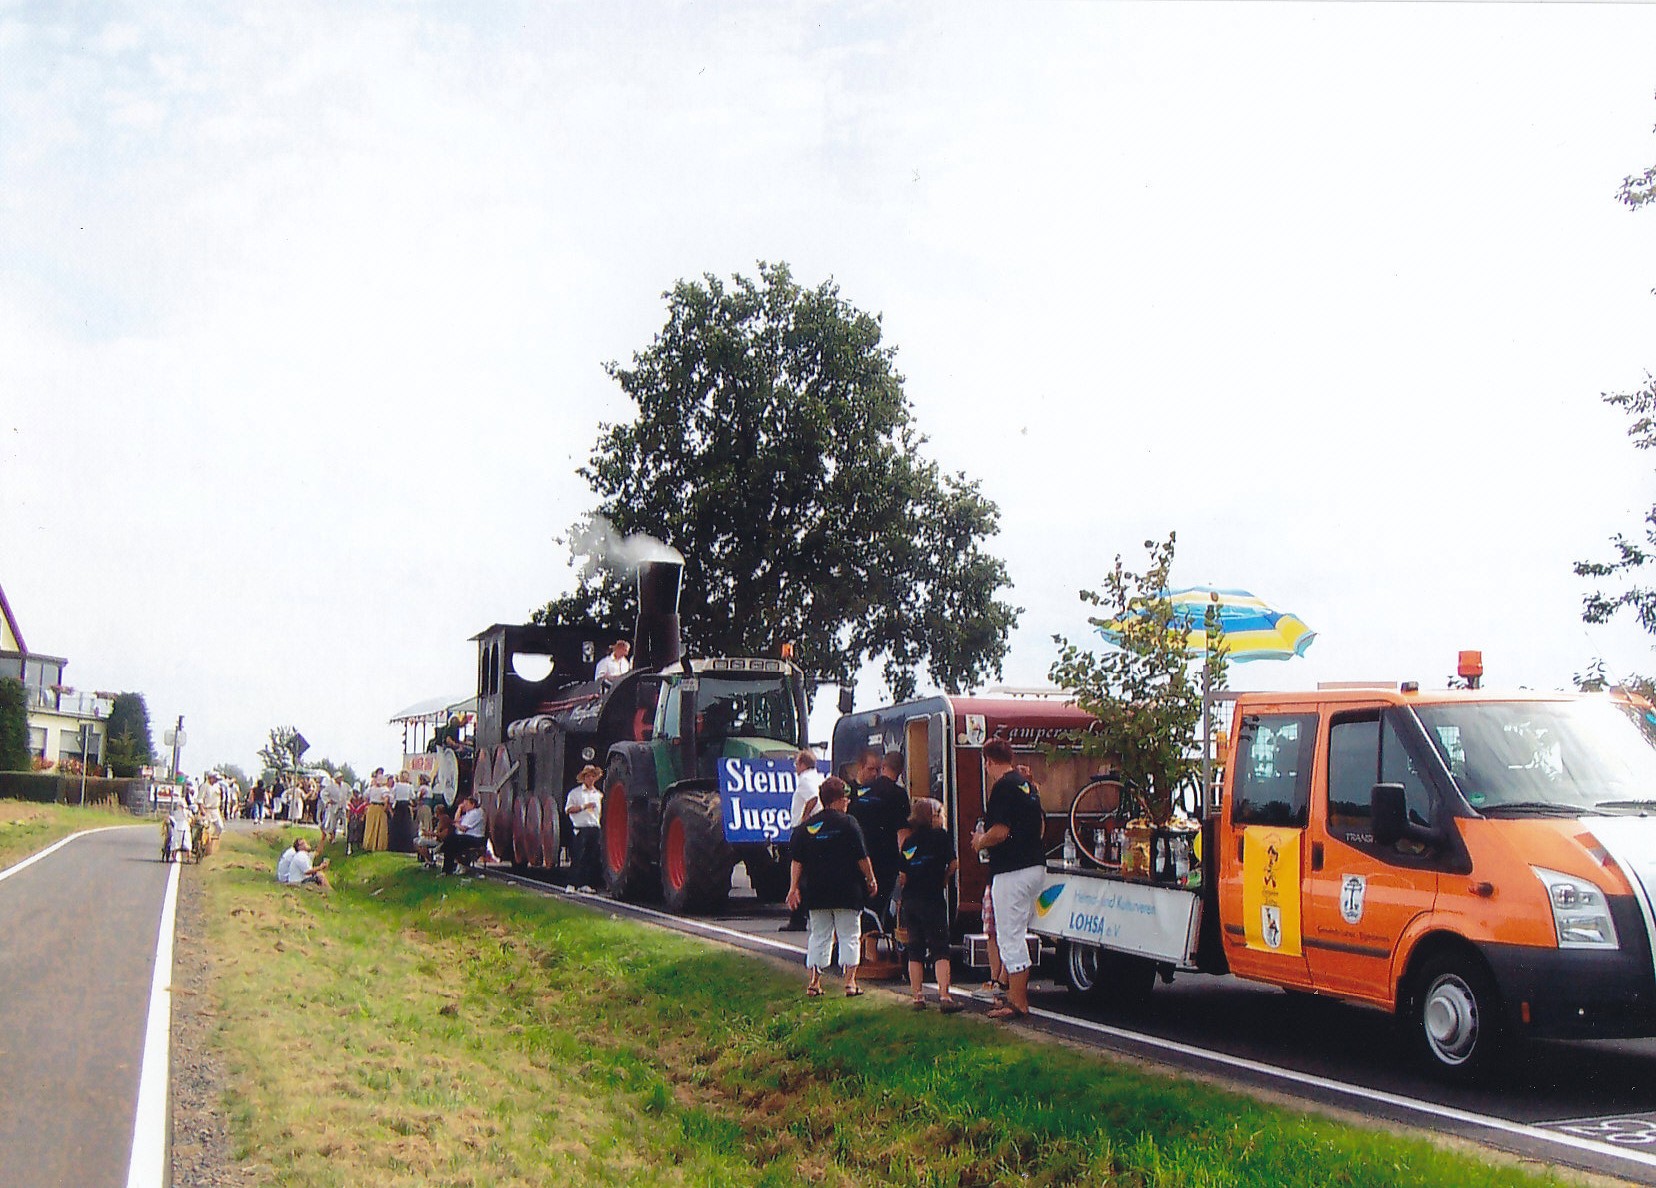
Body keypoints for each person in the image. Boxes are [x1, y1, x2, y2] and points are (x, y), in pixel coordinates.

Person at [971, 738, 1046, 1021]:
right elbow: (1040, 827)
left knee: (1009, 936)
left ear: (989, 761)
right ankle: (1015, 997)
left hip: (1011, 869)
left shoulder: (1002, 787)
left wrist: (980, 841)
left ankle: (1018, 1002)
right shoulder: (1027, 785)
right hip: (1035, 865)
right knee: (1018, 933)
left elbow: (1000, 831)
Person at [785, 777, 877, 998]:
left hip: (817, 891)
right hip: (847, 891)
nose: (848, 801)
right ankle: (850, 982)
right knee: (849, 935)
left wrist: (793, 887)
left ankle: (814, 982)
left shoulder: (807, 827)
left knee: (819, 935)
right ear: (837, 799)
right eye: (845, 797)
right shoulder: (849, 823)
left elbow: (797, 861)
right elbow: (862, 857)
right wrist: (871, 879)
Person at [897, 797, 962, 1012]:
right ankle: (944, 995)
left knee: (915, 948)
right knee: (940, 948)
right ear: (931, 817)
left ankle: (917, 996)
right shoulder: (940, 837)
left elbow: (903, 876)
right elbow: (954, 864)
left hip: (911, 899)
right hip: (932, 898)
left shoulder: (909, 842)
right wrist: (944, 878)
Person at [849, 751, 910, 926]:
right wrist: (905, 866)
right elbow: (903, 834)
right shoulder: (898, 794)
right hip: (886, 861)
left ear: (883, 766)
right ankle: (872, 942)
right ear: (901, 771)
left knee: (864, 907)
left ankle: (863, 941)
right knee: (878, 908)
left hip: (862, 857)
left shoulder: (863, 791)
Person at [780, 749, 823, 932]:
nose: (795, 768)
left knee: (797, 874)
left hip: (802, 829)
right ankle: (801, 914)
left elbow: (813, 797)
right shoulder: (818, 777)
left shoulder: (805, 779)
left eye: (796, 764)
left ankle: (797, 917)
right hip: (815, 829)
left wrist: (804, 817)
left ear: (803, 764)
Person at [564, 764, 604, 890]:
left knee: (591, 858)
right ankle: (572, 884)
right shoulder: (575, 793)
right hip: (580, 827)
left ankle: (585, 884)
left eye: (592, 776)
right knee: (578, 857)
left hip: (594, 827)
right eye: (588, 776)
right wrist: (583, 807)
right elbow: (568, 809)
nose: (590, 779)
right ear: (584, 778)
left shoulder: (599, 795)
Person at [441, 796, 488, 875]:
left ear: (473, 804)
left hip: (476, 838)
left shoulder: (476, 813)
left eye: (466, 804)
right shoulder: (468, 813)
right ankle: (448, 868)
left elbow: (463, 828)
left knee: (450, 840)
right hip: (467, 837)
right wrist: (459, 808)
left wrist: (455, 824)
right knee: (450, 842)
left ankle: (447, 867)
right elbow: (457, 820)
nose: (464, 806)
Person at [388, 771, 417, 853]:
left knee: (397, 825)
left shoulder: (397, 785)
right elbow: (413, 796)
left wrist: (393, 804)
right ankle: (406, 846)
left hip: (398, 806)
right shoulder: (409, 786)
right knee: (406, 825)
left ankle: (395, 845)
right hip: (405, 805)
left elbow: (392, 796)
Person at [363, 769, 391, 852]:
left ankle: (370, 844)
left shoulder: (372, 789)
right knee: (379, 827)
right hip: (379, 808)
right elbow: (386, 799)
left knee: (371, 826)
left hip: (372, 807)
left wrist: (368, 804)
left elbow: (365, 797)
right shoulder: (384, 789)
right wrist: (385, 808)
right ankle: (378, 845)